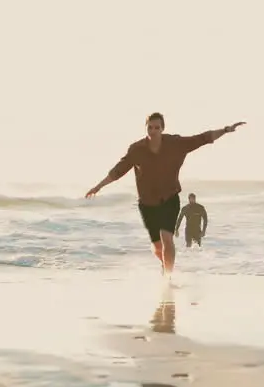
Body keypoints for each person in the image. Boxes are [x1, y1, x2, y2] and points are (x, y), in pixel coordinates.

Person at [85, 112, 244, 275]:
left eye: (157, 127)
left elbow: (202, 138)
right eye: (150, 127)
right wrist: (98, 186)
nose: (153, 131)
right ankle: (165, 265)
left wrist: (225, 130)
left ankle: (168, 279)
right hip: (147, 203)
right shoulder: (136, 149)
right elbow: (117, 171)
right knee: (157, 247)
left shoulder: (175, 143)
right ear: (146, 128)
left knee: (166, 238)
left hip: (170, 198)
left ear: (163, 129)